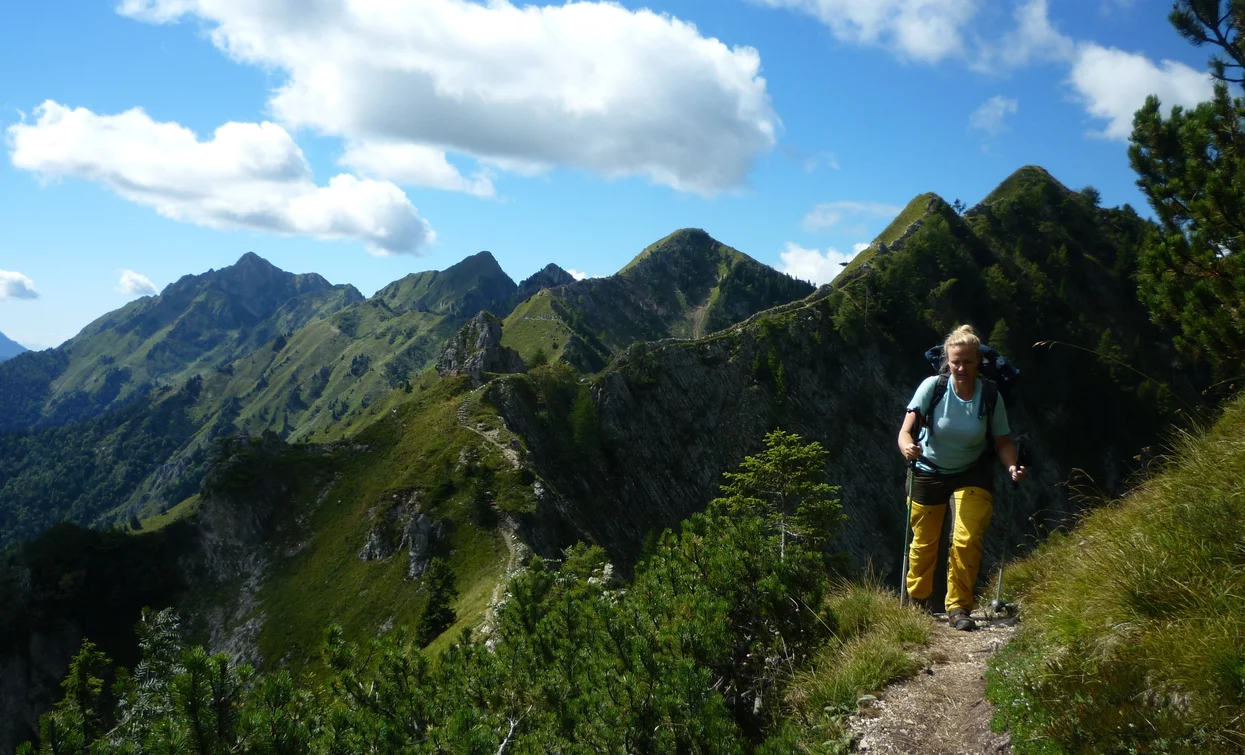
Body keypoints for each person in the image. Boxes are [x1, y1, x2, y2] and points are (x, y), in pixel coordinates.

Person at [896, 324, 1026, 631]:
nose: (961, 368)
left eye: (968, 361)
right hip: (927, 470)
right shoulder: (932, 387)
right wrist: (907, 447)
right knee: (924, 543)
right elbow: (905, 431)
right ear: (947, 361)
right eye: (956, 362)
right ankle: (918, 602)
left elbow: (1003, 441)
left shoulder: (990, 395)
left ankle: (959, 607)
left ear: (978, 360)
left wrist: (1012, 466)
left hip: (972, 472)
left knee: (966, 540)